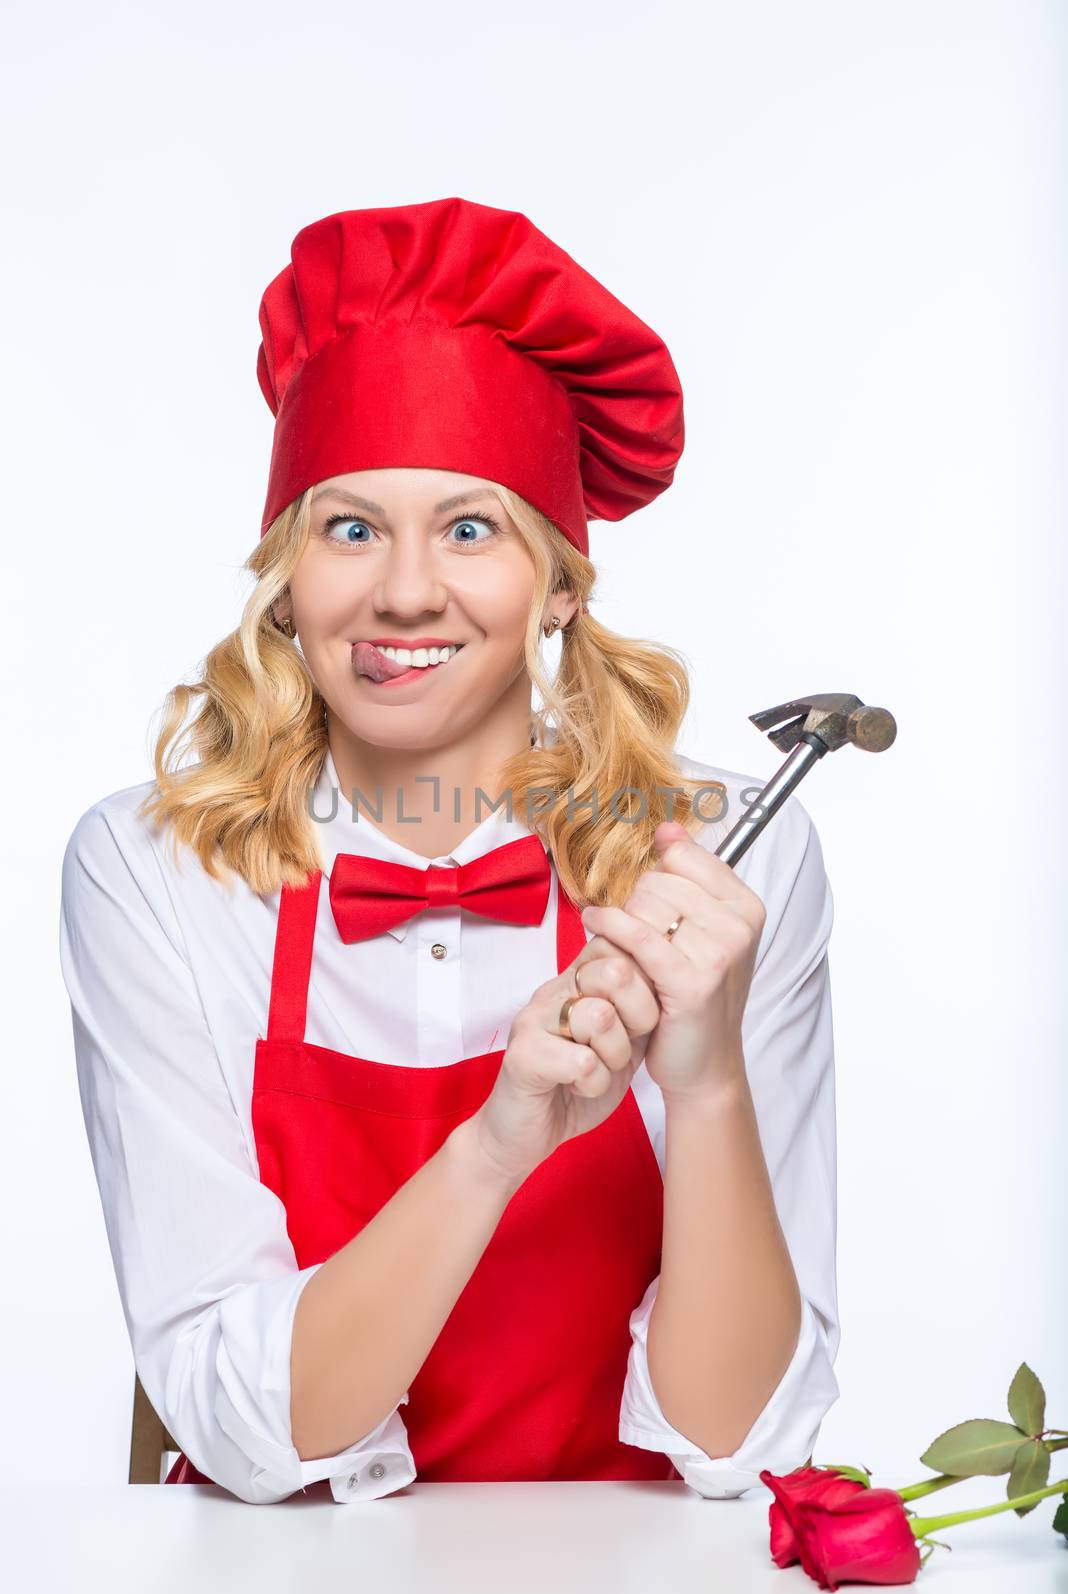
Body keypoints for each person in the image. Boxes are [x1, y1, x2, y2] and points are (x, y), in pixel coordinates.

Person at [58, 197, 840, 1506]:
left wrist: (703, 1088)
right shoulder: (154, 873)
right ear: (287, 579)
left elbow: (741, 1446)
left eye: (471, 529)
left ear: (564, 582)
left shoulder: (724, 860)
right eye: (350, 528)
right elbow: (249, 1437)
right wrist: (500, 1141)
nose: (404, 591)